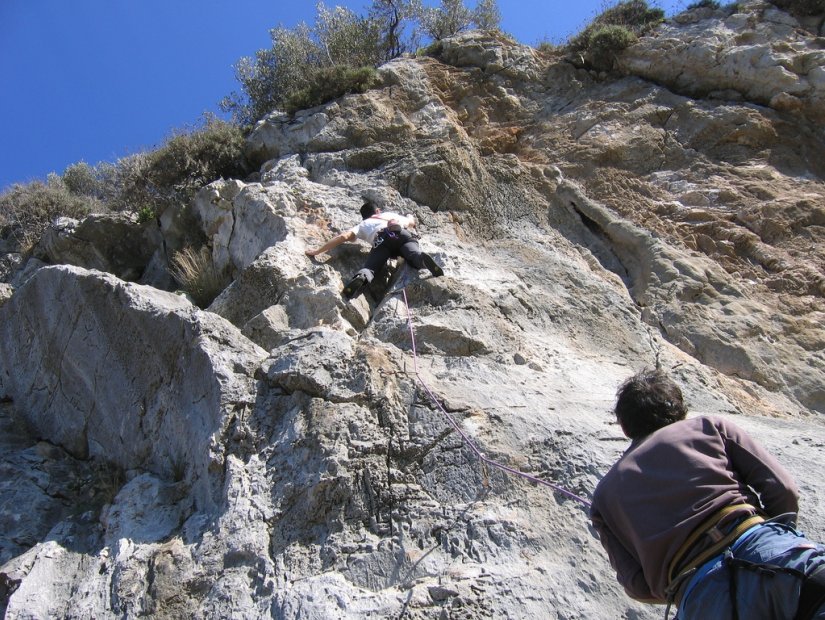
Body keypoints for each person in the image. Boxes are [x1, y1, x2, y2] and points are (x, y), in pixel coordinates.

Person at [591, 369, 825, 620]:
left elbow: (636, 584)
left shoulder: (604, 496)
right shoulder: (709, 427)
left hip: (701, 599)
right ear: (680, 410)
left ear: (626, 428)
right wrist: (775, 537)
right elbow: (783, 489)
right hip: (772, 554)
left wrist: (684, 584)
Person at [305, 200, 443, 298]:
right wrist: (409, 216)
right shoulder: (390, 215)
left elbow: (344, 236)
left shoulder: (363, 224)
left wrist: (317, 251)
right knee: (414, 255)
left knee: (371, 268)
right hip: (402, 235)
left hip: (381, 241)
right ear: (377, 211)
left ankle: (362, 277)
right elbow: (412, 223)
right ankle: (422, 260)